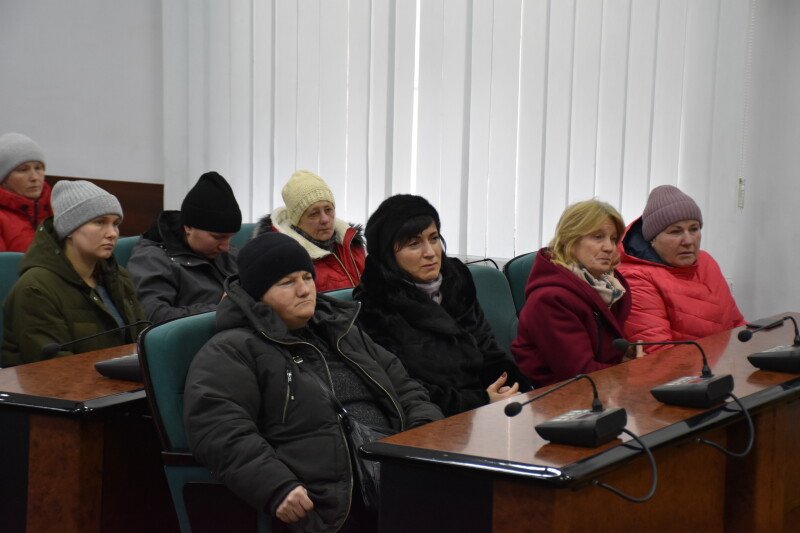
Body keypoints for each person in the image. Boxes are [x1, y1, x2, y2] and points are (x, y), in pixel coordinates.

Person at [184, 232, 442, 531]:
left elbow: (407, 388)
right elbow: (218, 429)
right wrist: (276, 486)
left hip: (396, 476)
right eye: (287, 282)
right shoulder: (233, 349)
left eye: (307, 277)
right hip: (331, 503)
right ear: (257, 294)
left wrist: (421, 439)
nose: (304, 290)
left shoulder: (340, 330)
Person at [352, 194, 531, 417]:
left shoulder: (456, 281)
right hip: (434, 418)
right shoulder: (374, 305)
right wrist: (481, 401)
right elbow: (403, 388)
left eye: (434, 238)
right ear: (388, 254)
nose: (430, 252)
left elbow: (487, 349)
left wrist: (515, 388)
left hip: (487, 408)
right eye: (414, 243)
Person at [2, 180, 145, 366]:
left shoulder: (118, 276)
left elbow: (142, 339)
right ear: (69, 229)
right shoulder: (35, 289)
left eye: (115, 224)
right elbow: (54, 365)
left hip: (121, 380)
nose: (112, 233)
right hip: (60, 383)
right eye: (100, 222)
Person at [511, 200, 634, 387]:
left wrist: (629, 357)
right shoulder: (550, 299)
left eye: (613, 238)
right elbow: (580, 374)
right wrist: (631, 372)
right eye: (598, 237)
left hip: (600, 390)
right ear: (570, 240)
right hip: (556, 397)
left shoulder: (610, 289)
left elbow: (608, 355)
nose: (609, 247)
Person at [617, 185, 745, 352]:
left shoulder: (706, 261)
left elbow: (737, 326)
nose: (688, 241)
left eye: (694, 229)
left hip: (725, 364)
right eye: (675, 232)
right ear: (652, 239)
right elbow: (658, 355)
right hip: (687, 369)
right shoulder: (636, 278)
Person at [127, 171, 240, 323]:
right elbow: (152, 317)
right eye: (218, 237)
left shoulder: (228, 254)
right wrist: (221, 309)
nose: (226, 247)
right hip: (197, 336)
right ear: (188, 228)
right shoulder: (152, 260)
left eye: (230, 237)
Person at [253, 170, 365, 292]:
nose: (325, 219)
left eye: (328, 210)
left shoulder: (352, 243)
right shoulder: (285, 260)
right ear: (296, 221)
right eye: (314, 213)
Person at [0, 133, 53, 252]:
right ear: (3, 179)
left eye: (38, 168)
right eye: (23, 170)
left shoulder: (57, 208)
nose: (34, 177)